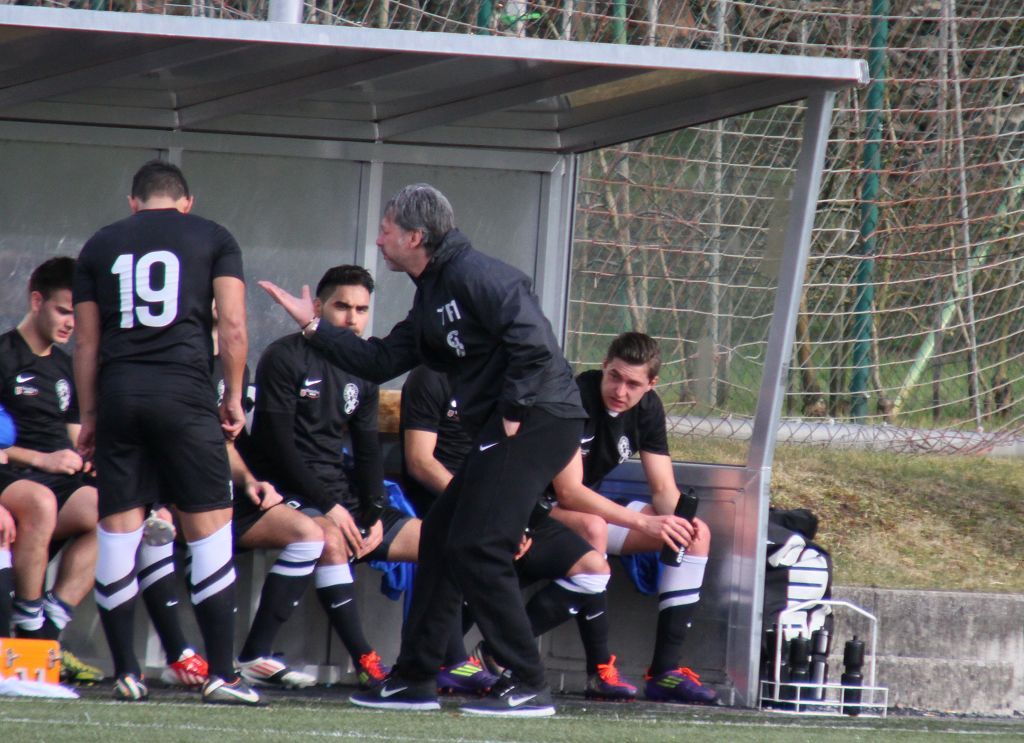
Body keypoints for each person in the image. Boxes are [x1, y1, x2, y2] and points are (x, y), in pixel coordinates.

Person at [261, 183, 587, 717]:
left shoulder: (476, 274)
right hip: (514, 423)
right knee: (439, 537)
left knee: (479, 545)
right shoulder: (432, 292)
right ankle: (414, 678)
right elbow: (379, 360)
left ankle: (529, 682)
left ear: (415, 236)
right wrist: (313, 326)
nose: (378, 239)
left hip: (538, 420)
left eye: (386, 229)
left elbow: (532, 341)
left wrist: (512, 408)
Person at [73, 160, 260, 705]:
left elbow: (85, 342)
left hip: (121, 395)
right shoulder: (214, 237)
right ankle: (222, 674)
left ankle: (127, 673)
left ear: (133, 202)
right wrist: (232, 395)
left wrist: (90, 415)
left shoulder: (99, 244)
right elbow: (233, 326)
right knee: (210, 530)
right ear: (186, 202)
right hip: (185, 394)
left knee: (119, 532)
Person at [401, 364, 637, 700]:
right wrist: (485, 510)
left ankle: (502, 658)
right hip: (454, 505)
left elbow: (522, 468)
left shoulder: (514, 381)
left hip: (504, 506)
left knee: (592, 570)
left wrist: (516, 518)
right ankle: (445, 662)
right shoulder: (432, 376)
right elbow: (420, 461)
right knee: (460, 548)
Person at [243, 265, 419, 689]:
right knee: (328, 535)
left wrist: (374, 513)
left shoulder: (363, 367)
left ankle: (437, 661)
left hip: (339, 494)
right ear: (319, 308)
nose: (352, 318)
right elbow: (276, 448)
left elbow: (368, 450)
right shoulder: (284, 357)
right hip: (285, 491)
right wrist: (332, 507)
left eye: (361, 309)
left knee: (440, 543)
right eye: (343, 306)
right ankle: (366, 661)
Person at [549, 331, 718, 704]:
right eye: (614, 376)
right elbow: (568, 492)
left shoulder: (648, 409)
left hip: (587, 508)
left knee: (696, 534)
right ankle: (599, 670)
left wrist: (680, 519)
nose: (620, 391)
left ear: (651, 384)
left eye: (633, 384)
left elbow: (663, 489)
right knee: (593, 528)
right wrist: (643, 523)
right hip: (542, 507)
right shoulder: (575, 397)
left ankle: (664, 673)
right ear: (604, 366)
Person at [0, 257, 104, 683]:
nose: (71, 324)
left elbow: (77, 435)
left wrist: (92, 457)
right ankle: (28, 627)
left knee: (115, 511)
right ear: (36, 301)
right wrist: (42, 459)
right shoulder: (4, 355)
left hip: (59, 480)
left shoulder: (65, 367)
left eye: (77, 315)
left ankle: (49, 627)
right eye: (63, 311)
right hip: (15, 479)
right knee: (41, 502)